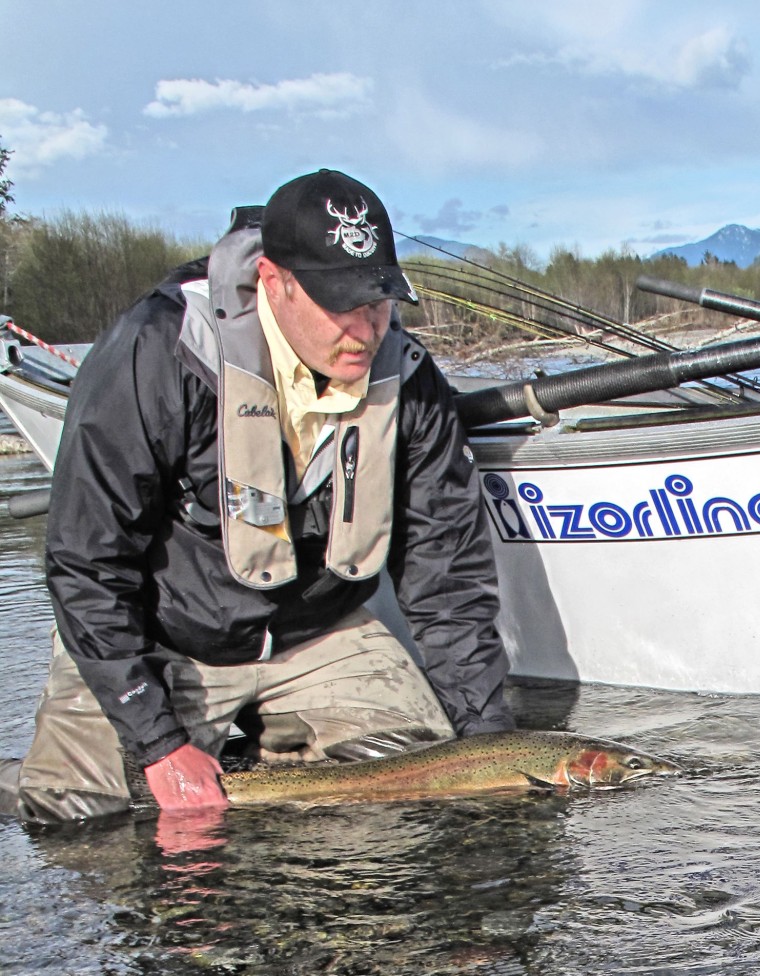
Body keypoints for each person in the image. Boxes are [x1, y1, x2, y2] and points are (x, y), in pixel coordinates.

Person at [0, 168, 514, 824]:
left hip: (316, 630)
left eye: (379, 301)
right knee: (82, 818)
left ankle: (267, 775)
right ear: (274, 282)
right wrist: (159, 744)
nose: (365, 330)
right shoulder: (160, 351)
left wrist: (492, 747)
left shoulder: (408, 378)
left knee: (407, 798)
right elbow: (85, 567)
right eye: (340, 304)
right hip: (165, 634)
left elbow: (448, 583)